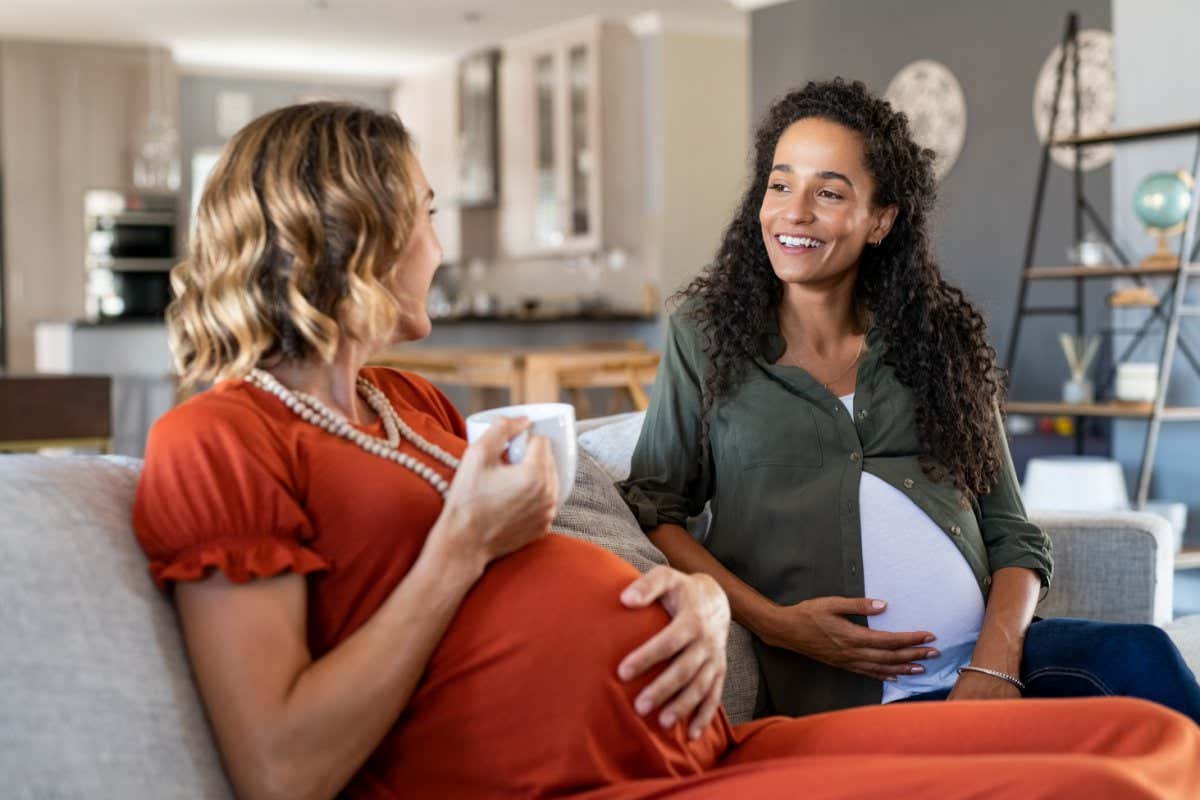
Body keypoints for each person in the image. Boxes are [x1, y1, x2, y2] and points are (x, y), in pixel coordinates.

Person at [133, 100, 1200, 800]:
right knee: (1101, 786)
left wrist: (703, 603)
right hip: (611, 775)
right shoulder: (217, 440)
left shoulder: (407, 403)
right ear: (354, 232)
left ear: (883, 218)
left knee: (1153, 742)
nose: (441, 243)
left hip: (705, 739)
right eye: (423, 213)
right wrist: (461, 546)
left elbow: (573, 564)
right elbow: (281, 770)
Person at [619, 78, 1200, 722]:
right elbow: (656, 510)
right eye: (780, 185)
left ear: (881, 220)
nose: (794, 211)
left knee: (1144, 659)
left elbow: (1013, 534)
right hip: (847, 700)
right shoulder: (704, 337)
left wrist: (995, 661)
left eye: (829, 193)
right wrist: (779, 625)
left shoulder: (935, 341)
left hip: (993, 671)